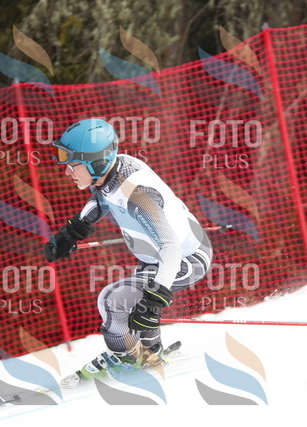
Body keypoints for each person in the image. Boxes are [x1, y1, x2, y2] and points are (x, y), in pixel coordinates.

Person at [45, 118, 212, 384]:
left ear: (96, 163)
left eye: (73, 165)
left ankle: (128, 360)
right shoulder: (113, 170)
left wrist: (156, 299)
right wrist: (73, 230)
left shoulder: (138, 195)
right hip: (156, 258)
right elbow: (103, 197)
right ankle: (148, 355)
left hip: (184, 259)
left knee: (112, 300)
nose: (67, 172)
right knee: (133, 305)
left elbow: (170, 247)